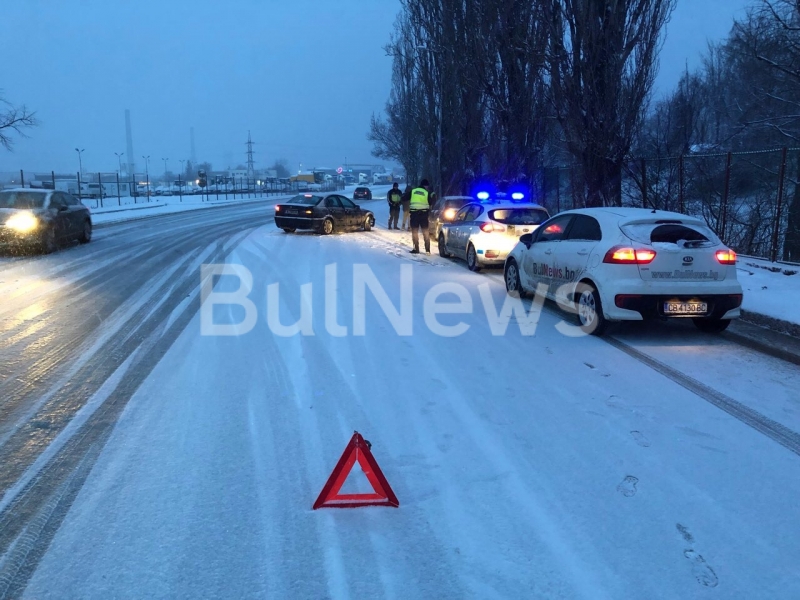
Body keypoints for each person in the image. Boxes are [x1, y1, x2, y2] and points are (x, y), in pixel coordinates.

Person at [409, 179, 432, 254]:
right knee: (425, 232)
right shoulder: (427, 193)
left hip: (414, 215)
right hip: (424, 216)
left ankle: (416, 249)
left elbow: (404, 198)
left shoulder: (413, 191)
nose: (427, 188)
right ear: (425, 186)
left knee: (415, 232)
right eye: (427, 186)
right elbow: (431, 202)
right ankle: (427, 250)